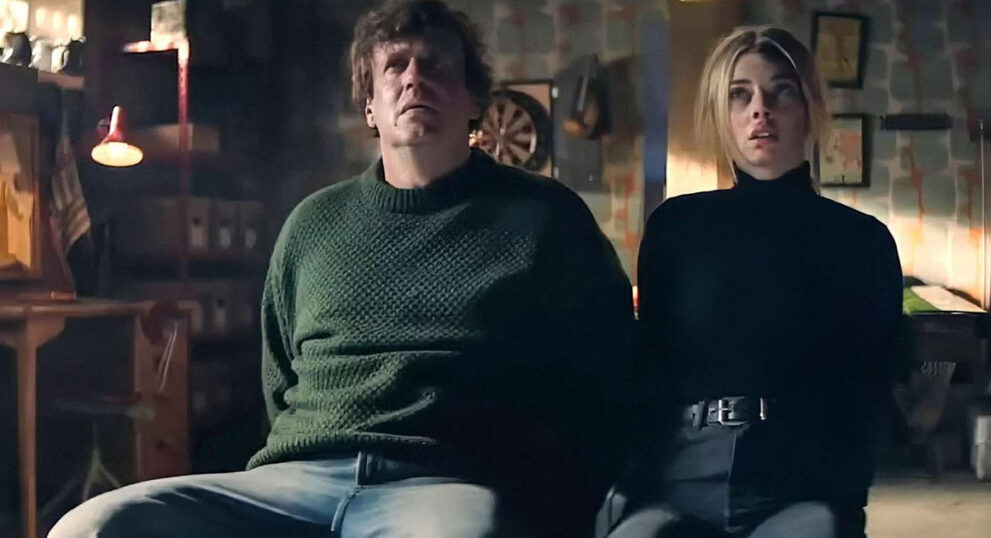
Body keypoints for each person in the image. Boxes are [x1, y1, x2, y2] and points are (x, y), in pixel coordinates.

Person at [49, 2, 637, 537]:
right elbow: (279, 382)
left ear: (472, 100)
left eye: (435, 65)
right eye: (395, 67)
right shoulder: (313, 223)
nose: (414, 78)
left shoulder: (544, 219)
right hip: (296, 478)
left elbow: (604, 380)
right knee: (94, 526)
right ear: (371, 108)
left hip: (440, 481)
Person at [606, 26, 903, 538]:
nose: (760, 110)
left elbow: (872, 388)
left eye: (781, 91)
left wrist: (841, 496)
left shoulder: (862, 240)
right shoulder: (677, 227)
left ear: (808, 107)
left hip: (801, 478)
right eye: (739, 95)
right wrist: (636, 484)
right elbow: (651, 369)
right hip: (683, 474)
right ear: (721, 114)